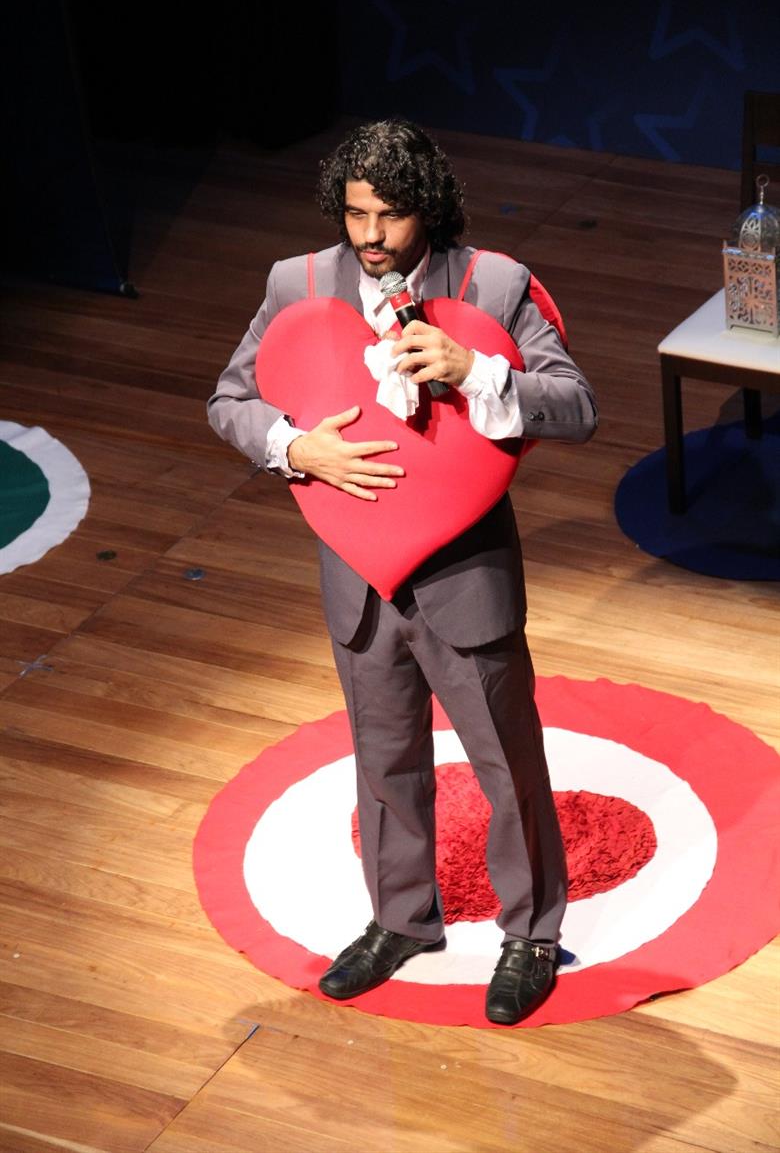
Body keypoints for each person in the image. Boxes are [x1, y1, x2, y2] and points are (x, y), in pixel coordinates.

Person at [208, 119, 598, 1024]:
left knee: (505, 761)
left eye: (390, 215)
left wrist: (479, 369)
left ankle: (532, 933)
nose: (372, 236)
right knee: (383, 758)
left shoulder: (493, 284)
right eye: (356, 215)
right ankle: (401, 919)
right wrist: (295, 447)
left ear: (428, 205)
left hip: (465, 577)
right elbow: (229, 399)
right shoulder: (298, 284)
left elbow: (577, 406)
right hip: (357, 574)